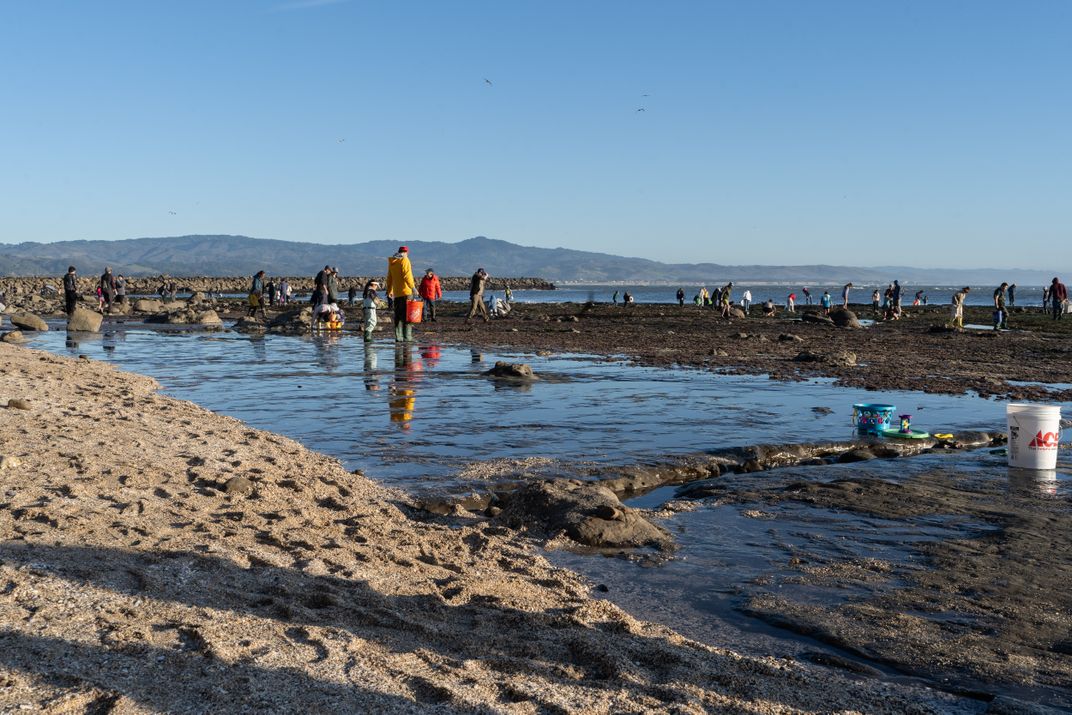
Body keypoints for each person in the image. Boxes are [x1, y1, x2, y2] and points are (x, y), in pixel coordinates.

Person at [386, 246, 417, 341]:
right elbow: (407, 276)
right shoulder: (405, 260)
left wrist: (389, 290)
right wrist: (413, 288)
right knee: (408, 315)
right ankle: (407, 337)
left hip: (397, 293)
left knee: (398, 315)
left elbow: (389, 278)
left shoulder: (393, 262)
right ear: (406, 252)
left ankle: (398, 337)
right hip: (406, 292)